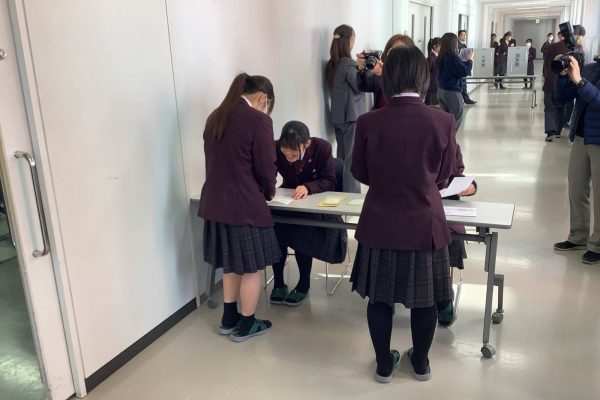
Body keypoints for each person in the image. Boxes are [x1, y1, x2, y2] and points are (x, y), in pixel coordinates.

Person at [350, 45, 457, 383]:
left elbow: (360, 172)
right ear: (423, 78)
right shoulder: (443, 121)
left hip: (380, 223)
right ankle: (421, 363)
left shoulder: (368, 122)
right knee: (426, 300)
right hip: (425, 224)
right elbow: (446, 174)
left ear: (388, 78)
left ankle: (384, 365)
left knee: (379, 299)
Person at [198, 73, 279, 342]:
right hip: (244, 205)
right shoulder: (258, 120)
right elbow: (266, 167)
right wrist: (269, 191)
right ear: (263, 98)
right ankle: (247, 324)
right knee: (252, 269)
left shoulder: (215, 116)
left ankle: (228, 319)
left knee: (231, 265)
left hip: (215, 204)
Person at [270, 121, 348, 305]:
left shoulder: (322, 148)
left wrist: (308, 187)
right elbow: (269, 173)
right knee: (275, 228)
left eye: (293, 153)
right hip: (289, 200)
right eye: (285, 152)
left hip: (314, 201)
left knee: (301, 231)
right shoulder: (275, 147)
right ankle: (278, 283)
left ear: (307, 143)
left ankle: (304, 284)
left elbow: (330, 180)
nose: (288, 157)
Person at [553, 53, 600, 265]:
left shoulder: (584, 74)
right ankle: (578, 236)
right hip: (581, 136)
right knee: (577, 189)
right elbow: (562, 97)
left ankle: (597, 244)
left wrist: (580, 81)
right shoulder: (589, 68)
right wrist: (563, 75)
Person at [326, 24, 365, 193]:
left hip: (337, 117)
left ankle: (341, 192)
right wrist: (363, 69)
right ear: (350, 40)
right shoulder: (348, 64)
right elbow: (359, 86)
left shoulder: (331, 64)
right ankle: (352, 196)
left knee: (342, 158)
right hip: (351, 117)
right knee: (352, 159)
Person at [542, 26, 586, 141]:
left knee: (549, 107)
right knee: (561, 108)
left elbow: (547, 64)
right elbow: (580, 68)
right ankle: (557, 131)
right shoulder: (578, 49)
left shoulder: (553, 47)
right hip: (566, 83)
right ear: (577, 35)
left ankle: (550, 132)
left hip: (550, 81)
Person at [357, 34, 414, 110]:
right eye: (391, 51)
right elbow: (364, 86)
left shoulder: (414, 77)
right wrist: (361, 68)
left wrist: (385, 76)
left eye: (399, 51)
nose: (394, 55)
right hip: (379, 116)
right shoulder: (381, 71)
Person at [437, 32, 473, 130]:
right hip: (452, 92)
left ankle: (443, 137)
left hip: (441, 90)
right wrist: (470, 60)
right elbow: (464, 71)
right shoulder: (452, 57)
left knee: (445, 119)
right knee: (456, 118)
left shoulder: (441, 56)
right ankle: (449, 138)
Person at [458, 30, 476, 105]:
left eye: (465, 35)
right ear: (458, 36)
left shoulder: (464, 45)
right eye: (462, 35)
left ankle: (465, 98)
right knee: (462, 84)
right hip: (460, 66)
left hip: (464, 65)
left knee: (464, 83)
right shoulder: (457, 45)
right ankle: (465, 99)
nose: (464, 36)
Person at [426, 37, 441, 106]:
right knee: (431, 106)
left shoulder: (437, 57)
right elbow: (426, 73)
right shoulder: (430, 58)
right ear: (435, 46)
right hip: (431, 88)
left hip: (436, 86)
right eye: (440, 46)